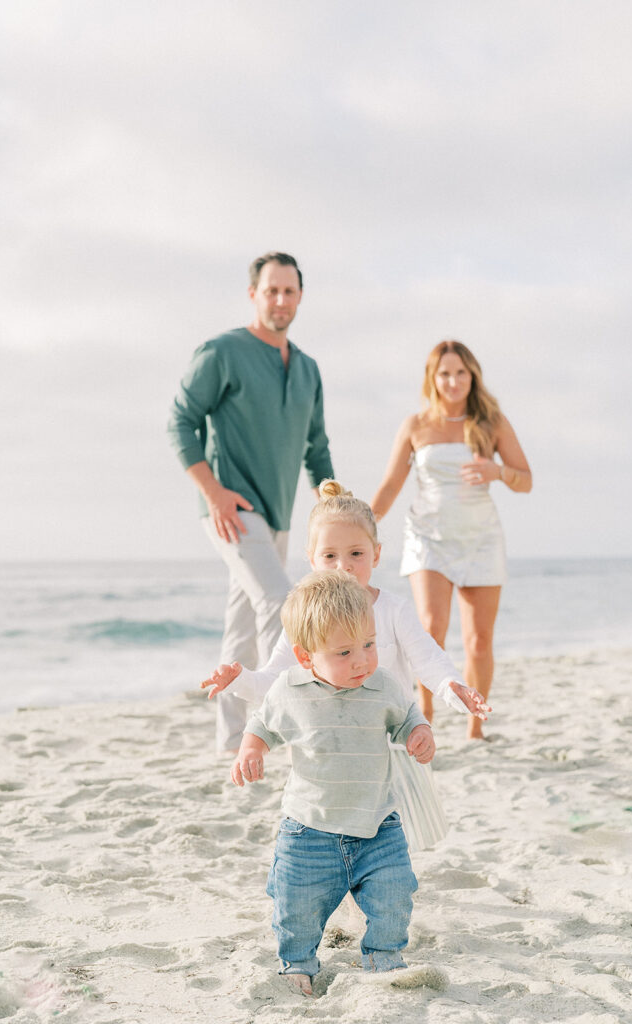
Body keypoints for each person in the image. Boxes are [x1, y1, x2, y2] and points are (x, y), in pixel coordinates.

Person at [202, 480, 491, 850]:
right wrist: (239, 679)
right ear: (311, 558)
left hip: (388, 752)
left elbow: (429, 659)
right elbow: (275, 682)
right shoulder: (305, 617)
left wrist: (454, 688)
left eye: (356, 553)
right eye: (329, 556)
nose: (344, 566)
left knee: (391, 841)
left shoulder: (394, 610)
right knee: (332, 838)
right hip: (327, 758)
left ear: (376, 553)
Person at [233, 570, 435, 996]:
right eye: (344, 652)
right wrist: (251, 749)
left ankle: (384, 956)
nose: (361, 659)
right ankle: (298, 963)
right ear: (307, 657)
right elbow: (263, 724)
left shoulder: (382, 686)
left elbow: (407, 719)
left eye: (369, 644)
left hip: (378, 826)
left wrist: (419, 734)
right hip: (308, 830)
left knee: (394, 896)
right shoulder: (290, 689)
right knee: (297, 907)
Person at [168, 252, 333, 752]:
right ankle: (273, 729)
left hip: (280, 515)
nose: (280, 300)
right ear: (253, 295)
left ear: (300, 296)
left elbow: (317, 447)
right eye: (271, 291)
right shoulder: (222, 352)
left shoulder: (307, 369)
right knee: (280, 604)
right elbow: (181, 421)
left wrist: (332, 508)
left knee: (240, 628)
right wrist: (214, 493)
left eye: (289, 291)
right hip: (233, 512)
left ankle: (230, 738)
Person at [370, 340, 532, 740]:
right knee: (431, 628)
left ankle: (475, 727)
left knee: (478, 642)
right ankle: (424, 711)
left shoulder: (491, 422)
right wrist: (362, 525)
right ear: (432, 378)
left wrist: (497, 472)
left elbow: (525, 479)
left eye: (461, 372)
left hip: (481, 539)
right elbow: (391, 485)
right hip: (428, 538)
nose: (453, 381)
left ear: (472, 375)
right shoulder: (416, 425)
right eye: (445, 373)